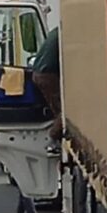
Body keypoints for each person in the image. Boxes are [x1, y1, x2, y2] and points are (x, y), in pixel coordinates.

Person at [32, 26, 61, 156]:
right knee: (66, 112)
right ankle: (53, 140)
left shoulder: (55, 32)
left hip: (38, 73)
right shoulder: (65, 35)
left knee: (56, 109)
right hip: (48, 75)